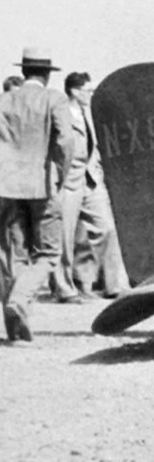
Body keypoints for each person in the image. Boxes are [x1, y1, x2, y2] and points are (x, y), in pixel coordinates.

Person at [0, 47, 76, 341]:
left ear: (23, 71)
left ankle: (17, 332)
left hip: (6, 186)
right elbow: (66, 140)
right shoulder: (54, 99)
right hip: (42, 184)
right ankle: (19, 301)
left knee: (14, 254)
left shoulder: (5, 99)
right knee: (48, 252)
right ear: (46, 74)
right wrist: (61, 172)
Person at [50, 73, 126, 301]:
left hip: (91, 179)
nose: (91, 94)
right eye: (87, 90)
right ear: (74, 91)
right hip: (67, 181)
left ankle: (115, 285)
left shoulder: (90, 114)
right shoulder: (60, 113)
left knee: (107, 228)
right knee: (64, 236)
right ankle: (64, 289)